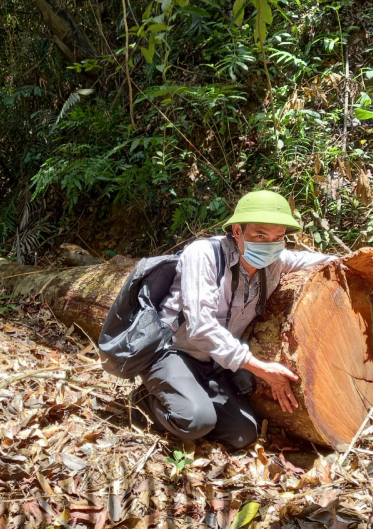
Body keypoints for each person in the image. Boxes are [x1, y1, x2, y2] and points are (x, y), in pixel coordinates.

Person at [132, 190, 338, 449]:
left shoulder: (274, 263)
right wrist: (259, 368)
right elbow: (200, 327)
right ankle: (143, 401)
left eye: (278, 237)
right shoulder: (204, 254)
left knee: (243, 434)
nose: (269, 245)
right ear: (237, 231)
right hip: (172, 351)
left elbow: (330, 261)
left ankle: (190, 397)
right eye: (260, 235)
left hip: (213, 361)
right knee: (195, 422)